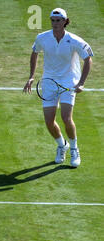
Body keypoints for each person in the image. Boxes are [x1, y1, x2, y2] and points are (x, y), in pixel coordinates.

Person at [23, 8, 93, 167]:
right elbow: (34, 53)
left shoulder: (74, 40)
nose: (55, 24)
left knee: (66, 118)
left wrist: (81, 82)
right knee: (49, 122)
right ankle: (63, 146)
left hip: (69, 82)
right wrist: (31, 77)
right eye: (53, 21)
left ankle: (74, 149)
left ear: (65, 22)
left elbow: (88, 59)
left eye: (58, 21)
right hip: (49, 82)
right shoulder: (42, 38)